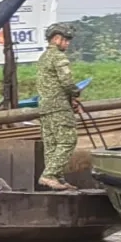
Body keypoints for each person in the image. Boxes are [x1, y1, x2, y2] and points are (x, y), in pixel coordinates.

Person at [36, 23, 81, 191]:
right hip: (59, 107)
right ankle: (49, 175)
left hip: (46, 107)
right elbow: (67, 82)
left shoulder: (43, 57)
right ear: (56, 39)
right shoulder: (59, 57)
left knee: (52, 144)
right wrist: (75, 93)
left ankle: (58, 179)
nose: (68, 43)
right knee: (68, 140)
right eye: (66, 40)